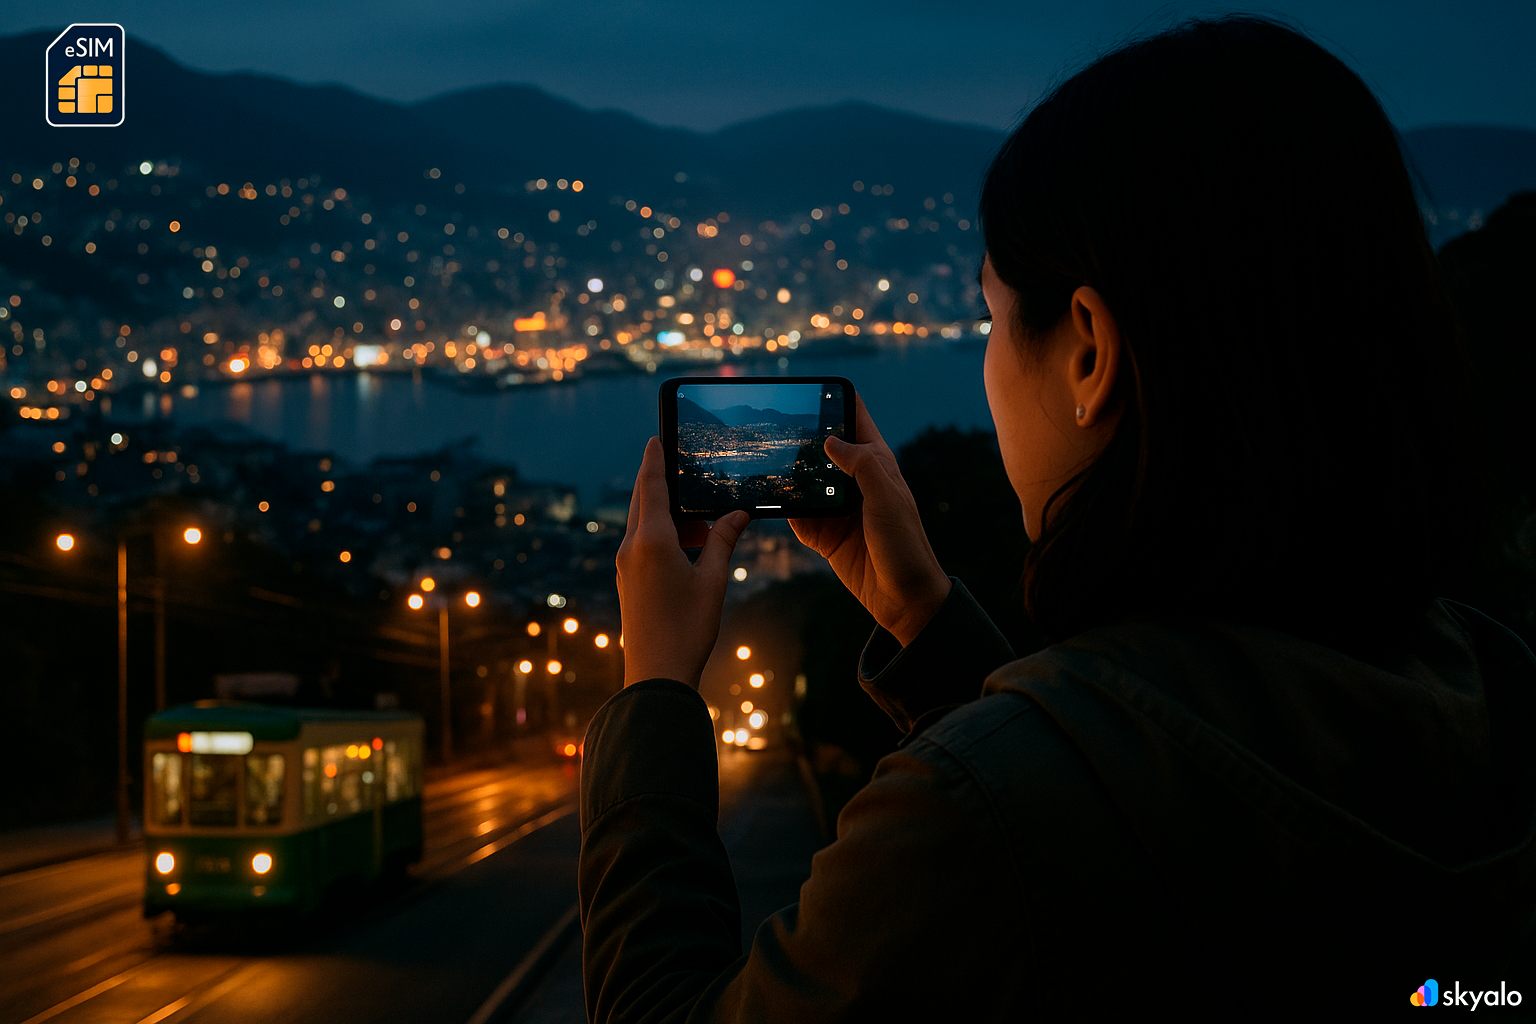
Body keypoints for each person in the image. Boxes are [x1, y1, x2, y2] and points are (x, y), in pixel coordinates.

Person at [581, 14, 1536, 1020]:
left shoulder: (968, 825)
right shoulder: (1495, 695)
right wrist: (926, 620)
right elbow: (1148, 813)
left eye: (993, 318)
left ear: (1088, 349)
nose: (989, 358)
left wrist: (653, 693)